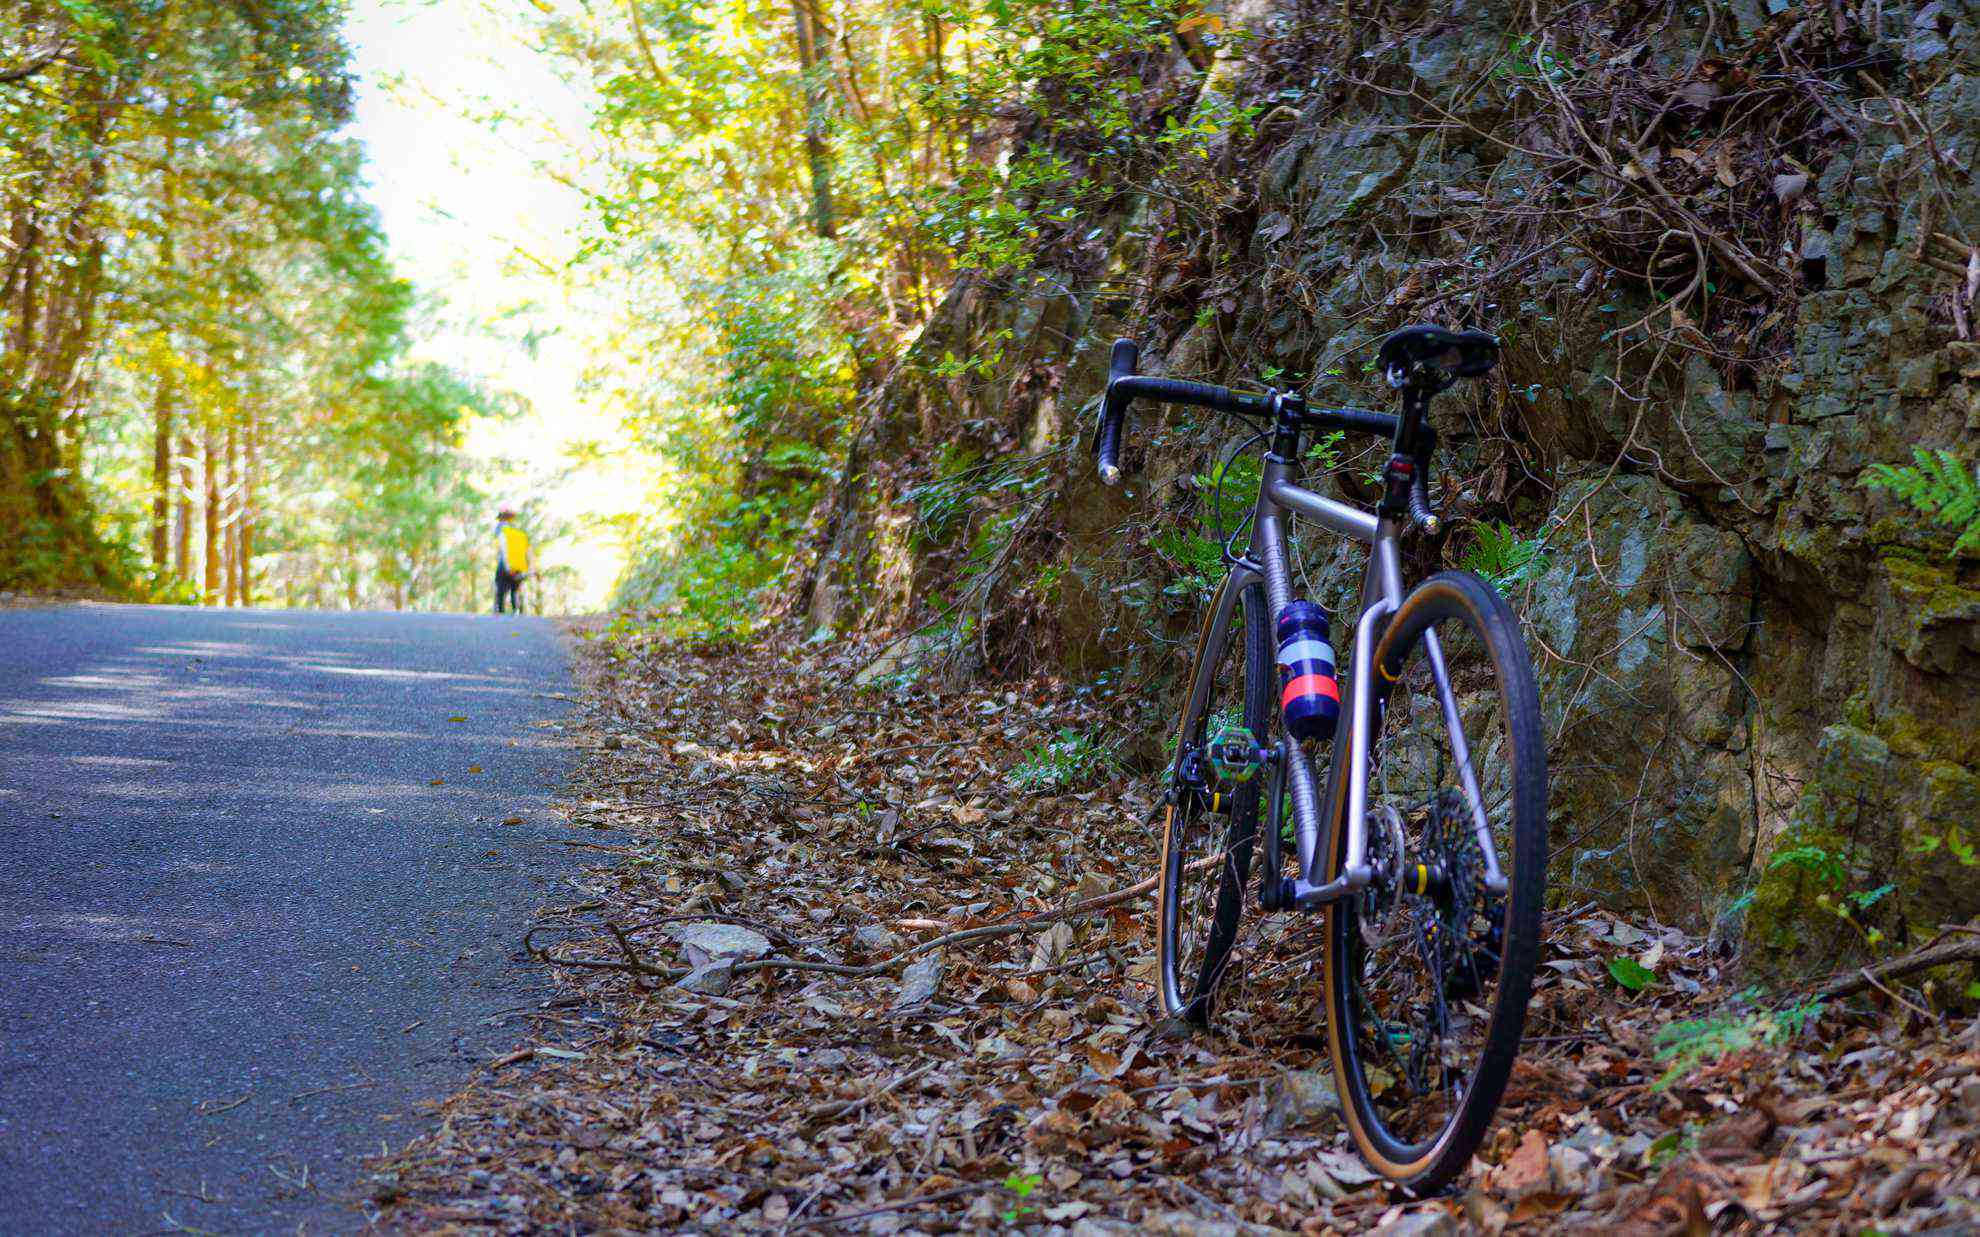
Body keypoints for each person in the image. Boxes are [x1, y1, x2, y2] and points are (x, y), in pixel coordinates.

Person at [494, 505, 531, 614]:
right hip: (519, 565)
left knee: (501, 590)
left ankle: (500, 614)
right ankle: (517, 613)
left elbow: (503, 548)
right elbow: (526, 551)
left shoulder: (501, 530)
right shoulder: (519, 533)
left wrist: (507, 565)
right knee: (515, 591)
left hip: (505, 564)